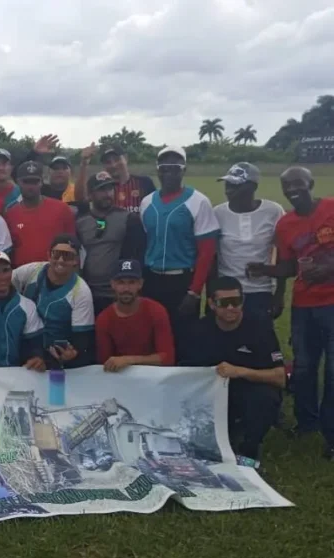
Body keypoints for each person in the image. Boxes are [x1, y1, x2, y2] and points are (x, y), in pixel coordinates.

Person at [248, 166, 334, 457]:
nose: (293, 189)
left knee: (333, 370)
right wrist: (267, 272)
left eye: (298, 183)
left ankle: (331, 432)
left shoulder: (331, 208)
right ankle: (307, 422)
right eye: (287, 186)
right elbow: (288, 266)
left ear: (311, 182)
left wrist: (329, 267)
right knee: (304, 367)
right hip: (304, 306)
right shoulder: (285, 225)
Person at [181, 277, 285, 461]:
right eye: (224, 303)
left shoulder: (260, 327)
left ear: (243, 301)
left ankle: (250, 447)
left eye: (236, 302)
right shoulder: (199, 330)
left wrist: (240, 371)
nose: (231, 308)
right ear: (212, 304)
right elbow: (186, 375)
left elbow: (280, 377)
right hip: (212, 395)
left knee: (266, 398)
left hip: (247, 389)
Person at [140, 146, 219, 347]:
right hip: (152, 279)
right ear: (157, 170)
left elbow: (206, 252)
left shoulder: (198, 201)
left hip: (182, 281)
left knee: (184, 338)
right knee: (153, 337)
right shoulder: (147, 202)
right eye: (164, 168)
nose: (169, 173)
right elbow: (147, 242)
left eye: (175, 168)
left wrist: (194, 292)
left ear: (184, 170)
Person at [213, 162, 285, 322]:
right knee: (227, 342)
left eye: (236, 185)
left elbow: (283, 253)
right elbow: (213, 256)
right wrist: (212, 293)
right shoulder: (218, 213)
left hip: (261, 291)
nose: (229, 189)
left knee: (259, 341)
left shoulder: (273, 211)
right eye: (227, 184)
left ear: (253, 187)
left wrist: (279, 294)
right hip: (227, 291)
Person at [12, 235, 96, 368]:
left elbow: (82, 339)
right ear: (48, 255)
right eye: (56, 254)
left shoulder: (81, 291)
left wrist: (72, 354)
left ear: (76, 261)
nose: (61, 260)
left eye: (67, 256)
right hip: (23, 345)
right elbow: (0, 282)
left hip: (55, 356)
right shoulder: (32, 271)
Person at [75, 171, 147, 315]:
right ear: (90, 194)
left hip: (118, 294)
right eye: (101, 190)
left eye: (110, 189)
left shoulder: (129, 219)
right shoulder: (80, 222)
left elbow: (137, 257)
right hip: (88, 293)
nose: (107, 194)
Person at [95, 260, 175, 371]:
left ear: (140, 284)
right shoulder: (104, 319)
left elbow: (167, 358)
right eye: (121, 282)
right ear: (113, 284)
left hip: (153, 375)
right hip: (119, 377)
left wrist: (129, 360)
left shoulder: (156, 310)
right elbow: (104, 362)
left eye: (131, 282)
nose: (126, 289)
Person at [3, 161, 75, 267]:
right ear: (18, 182)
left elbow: (73, 246)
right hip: (21, 276)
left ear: (41, 182)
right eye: (26, 181)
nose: (30, 186)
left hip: (55, 273)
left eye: (35, 181)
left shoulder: (62, 209)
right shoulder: (10, 214)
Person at [100, 145, 156, 214]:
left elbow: (155, 211)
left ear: (126, 158)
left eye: (117, 159)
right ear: (103, 166)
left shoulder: (145, 182)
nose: (113, 165)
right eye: (108, 162)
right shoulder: (103, 189)